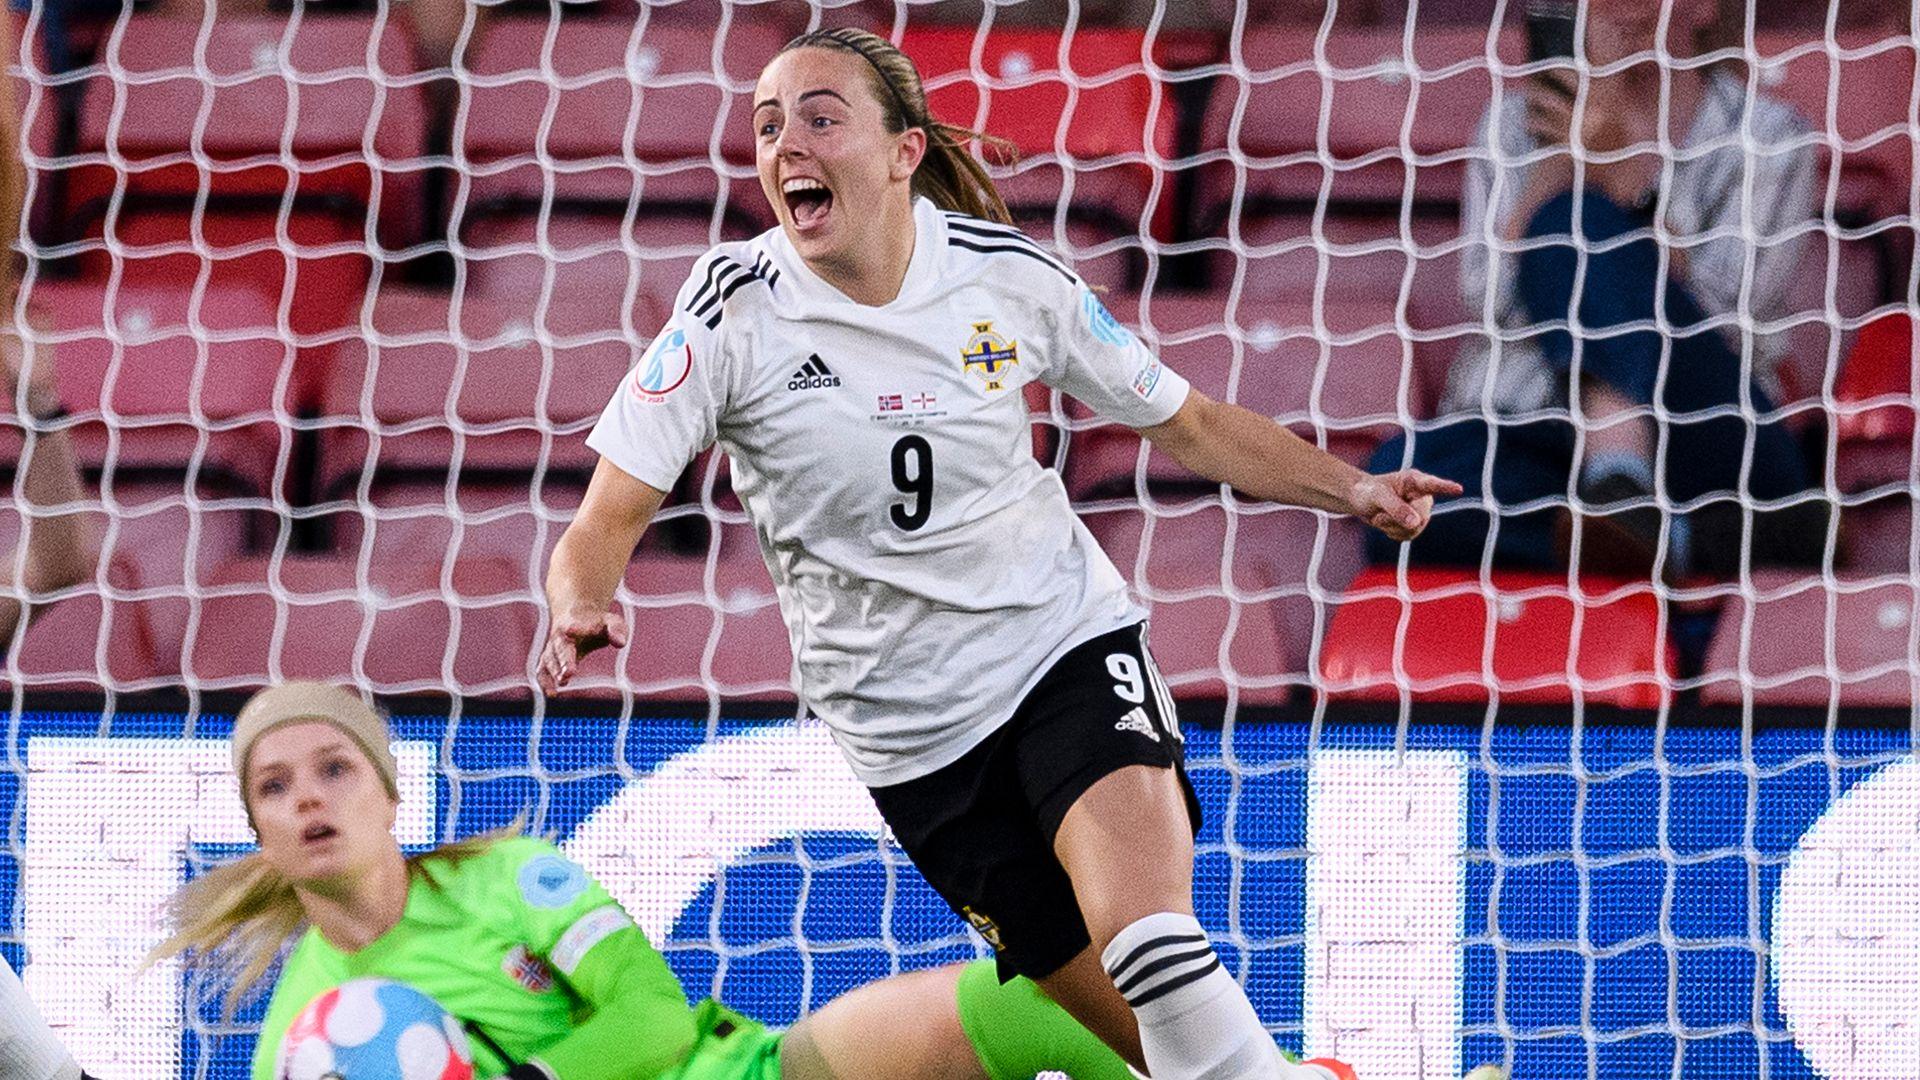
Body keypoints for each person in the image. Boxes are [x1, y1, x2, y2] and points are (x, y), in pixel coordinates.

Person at [540, 27, 1457, 1080]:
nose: (786, 141)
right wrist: (581, 600)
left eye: (821, 116)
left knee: (1148, 937)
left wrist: (1353, 487)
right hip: (912, 743)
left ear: (903, 150)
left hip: (1058, 648)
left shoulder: (1004, 279)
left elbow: (1189, 422)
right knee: (1169, 1056)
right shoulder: (727, 313)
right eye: (766, 124)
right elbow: (603, 517)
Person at [147, 681, 1201, 1080]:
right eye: (275, 788)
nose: (308, 799)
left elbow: (652, 1022)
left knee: (991, 1006)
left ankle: (1258, 1075)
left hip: (727, 1076)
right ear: (257, 831)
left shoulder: (512, 879)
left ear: (388, 793)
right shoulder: (304, 1026)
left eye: (333, 768)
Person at [1372, 0, 1825, 580]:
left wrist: (1618, 176)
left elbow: (1725, 315)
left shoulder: (1771, 136)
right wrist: (1560, 164)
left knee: (1577, 222)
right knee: (1395, 493)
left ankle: (1620, 472)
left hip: (1700, 427)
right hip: (1537, 426)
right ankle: (1690, 538)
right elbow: (1489, 302)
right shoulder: (1512, 125)